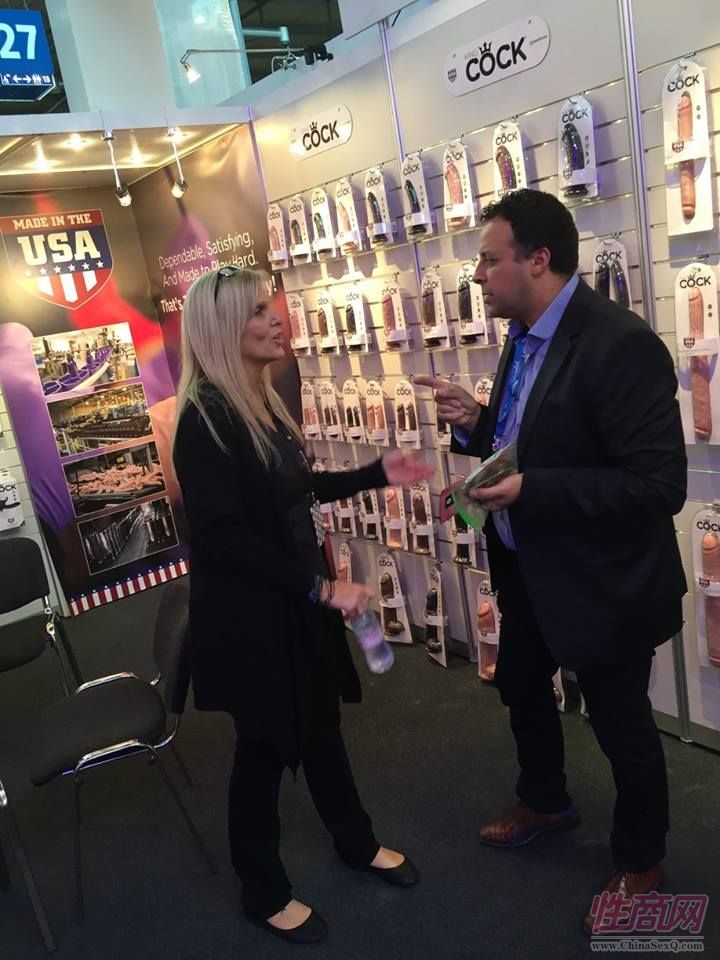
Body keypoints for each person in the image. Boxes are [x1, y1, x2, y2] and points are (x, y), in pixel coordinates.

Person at [415, 189, 687, 935]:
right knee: (522, 689)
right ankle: (545, 801)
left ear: (538, 260)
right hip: (527, 567)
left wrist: (533, 488)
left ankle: (641, 860)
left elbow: (658, 486)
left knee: (622, 727)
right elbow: (530, 440)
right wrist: (476, 423)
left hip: (604, 584)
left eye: (489, 260)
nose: (477, 276)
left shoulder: (621, 344)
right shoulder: (522, 336)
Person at [173, 265, 433, 945]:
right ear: (223, 328)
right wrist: (320, 588)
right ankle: (262, 892)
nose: (276, 319)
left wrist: (375, 473)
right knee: (264, 749)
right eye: (258, 311)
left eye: (271, 307)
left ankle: (356, 842)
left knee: (320, 728)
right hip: (256, 620)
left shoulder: (257, 400)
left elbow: (295, 488)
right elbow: (223, 540)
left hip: (294, 602)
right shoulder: (205, 419)